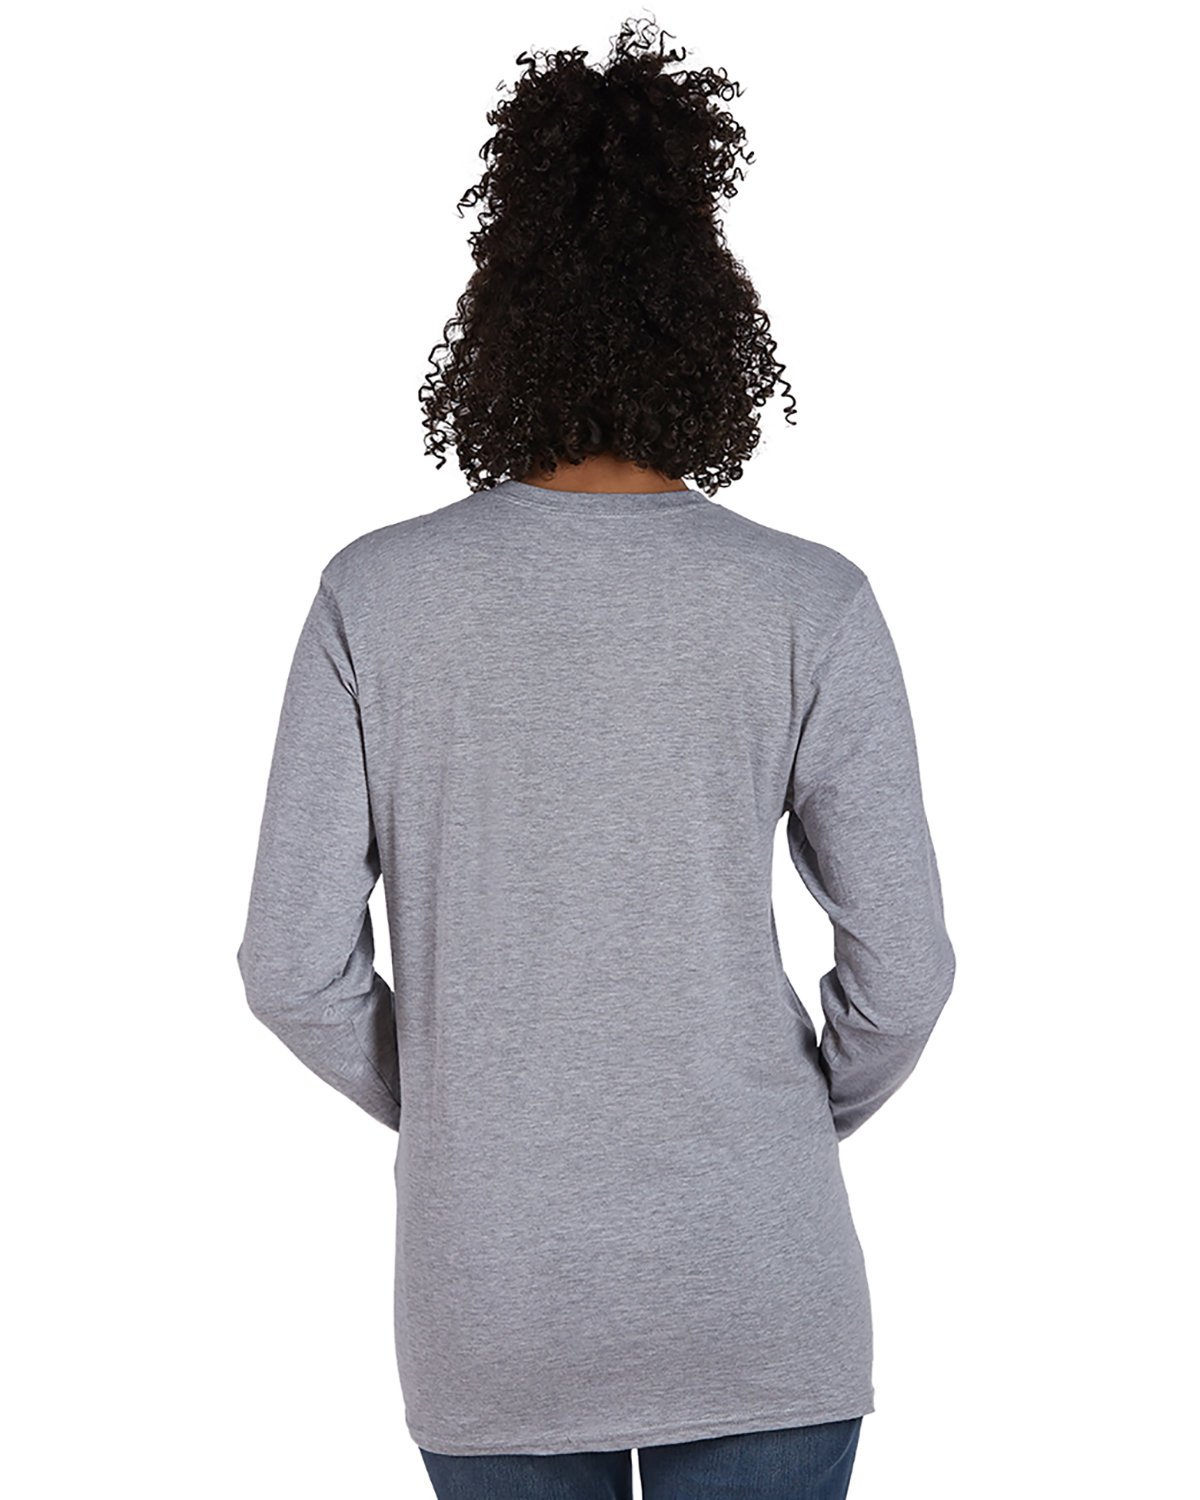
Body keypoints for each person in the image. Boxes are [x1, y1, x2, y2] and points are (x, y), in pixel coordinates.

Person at [236, 17, 956, 1500]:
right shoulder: (807, 600)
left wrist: (472, 1107)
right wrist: (774, 1124)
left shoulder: (377, 595)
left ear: (498, 319)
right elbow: (911, 969)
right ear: (712, 323)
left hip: (491, 1292)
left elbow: (290, 970)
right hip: (760, 1274)